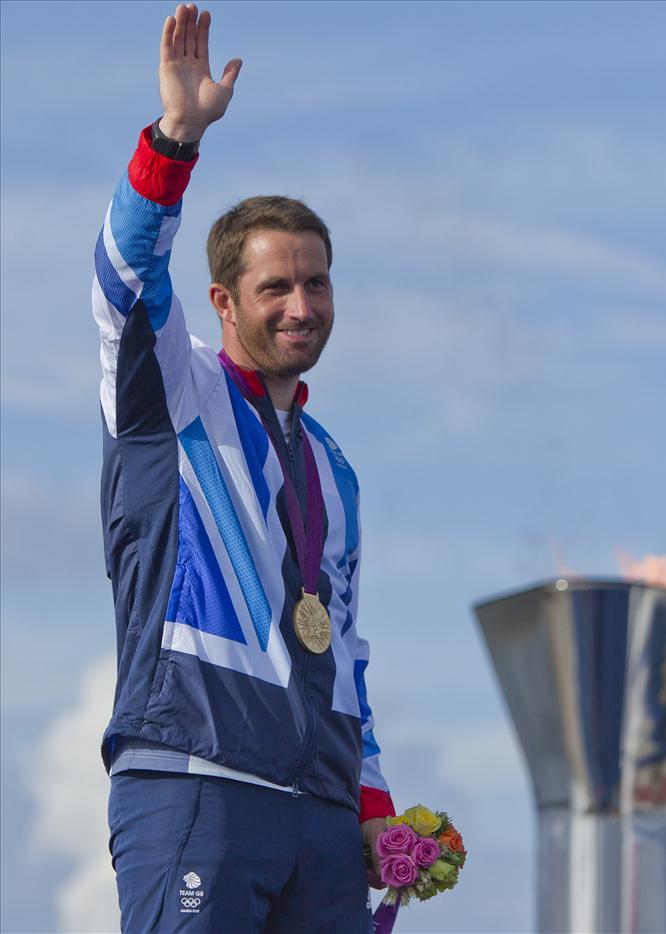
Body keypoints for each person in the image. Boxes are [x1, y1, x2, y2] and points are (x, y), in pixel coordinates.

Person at [94, 5, 394, 931]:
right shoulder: (172, 395)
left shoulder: (333, 468)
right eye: (277, 287)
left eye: (317, 282)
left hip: (322, 818)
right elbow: (126, 276)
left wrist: (374, 808)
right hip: (197, 783)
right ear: (224, 301)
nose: (303, 306)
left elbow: (342, 645)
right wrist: (174, 141)